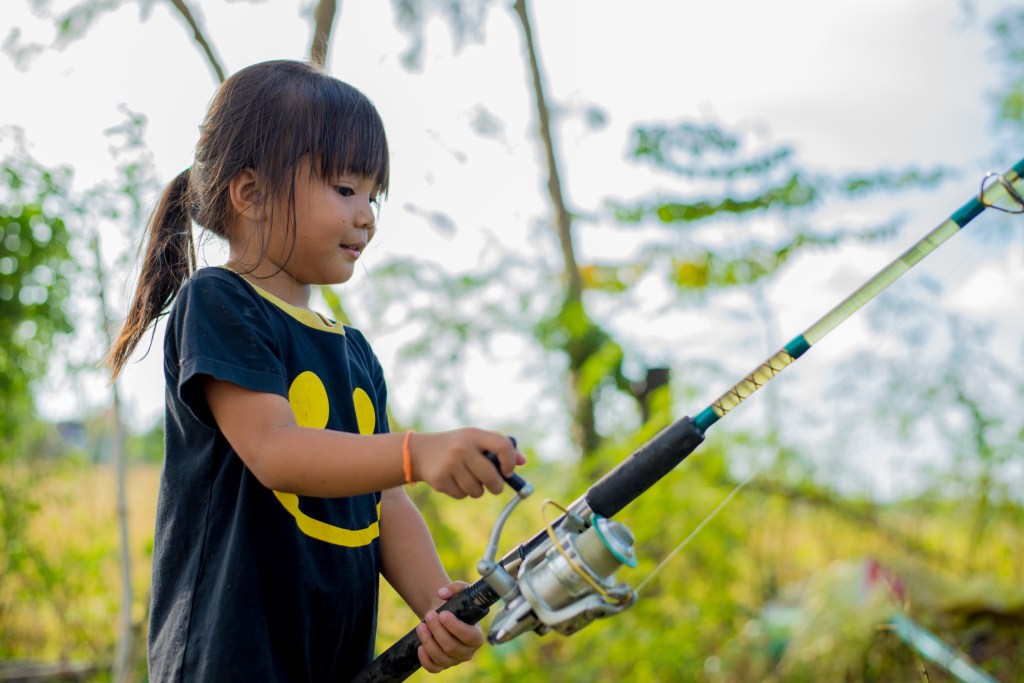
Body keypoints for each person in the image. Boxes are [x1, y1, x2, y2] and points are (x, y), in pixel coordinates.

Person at [106, 59, 524, 682]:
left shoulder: (354, 352)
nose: (367, 216)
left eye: (373, 195)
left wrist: (439, 607)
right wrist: (416, 451)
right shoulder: (220, 302)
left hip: (332, 659)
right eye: (345, 189)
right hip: (230, 656)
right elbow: (276, 449)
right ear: (249, 193)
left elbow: (386, 505)